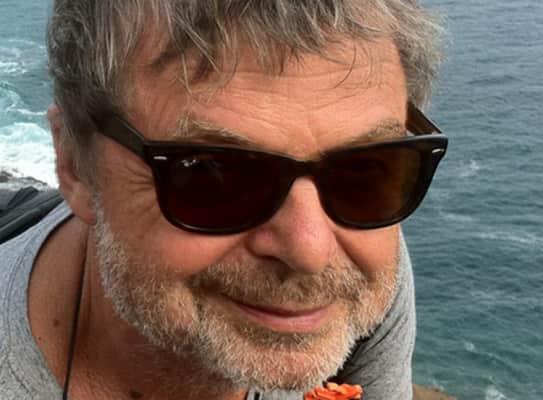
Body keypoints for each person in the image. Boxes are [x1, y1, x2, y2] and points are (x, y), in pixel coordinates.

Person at [0, 1, 447, 399]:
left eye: (367, 169)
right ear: (75, 164)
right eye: (214, 175)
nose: (311, 251)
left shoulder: (362, 263)